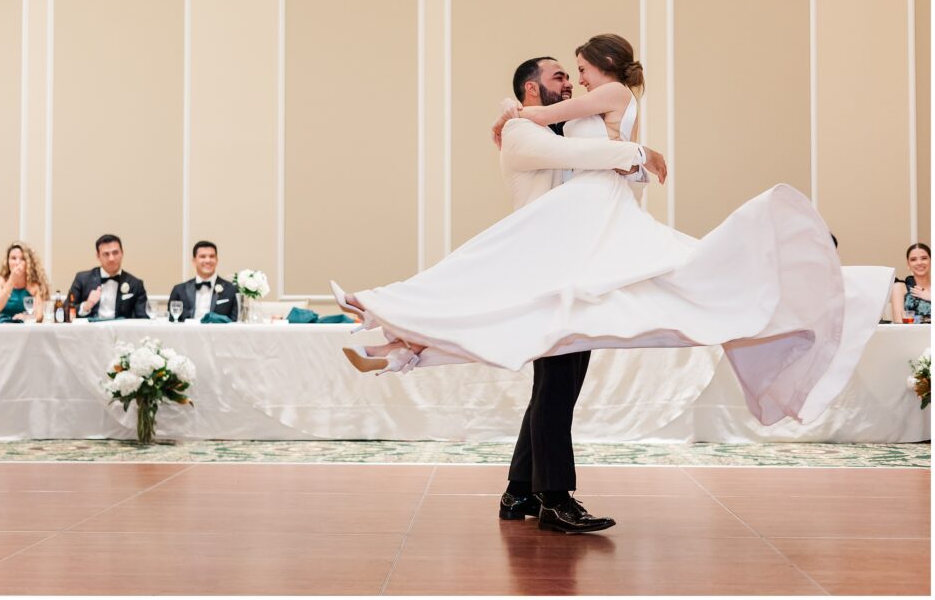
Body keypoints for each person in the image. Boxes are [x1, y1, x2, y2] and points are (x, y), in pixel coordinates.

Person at [331, 32, 890, 530]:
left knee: (553, 379)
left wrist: (632, 160)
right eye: (557, 76)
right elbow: (579, 149)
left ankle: (517, 489)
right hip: (547, 259)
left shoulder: (584, 109)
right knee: (532, 356)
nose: (568, 82)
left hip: (575, 258)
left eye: (573, 71)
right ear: (532, 88)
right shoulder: (522, 133)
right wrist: (627, 150)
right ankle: (552, 495)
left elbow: (598, 159)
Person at [68, 234, 149, 319]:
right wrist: (87, 305)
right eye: (106, 254)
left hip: (121, 331)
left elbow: (143, 318)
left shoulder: (136, 284)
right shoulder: (82, 279)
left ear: (122, 253)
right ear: (98, 256)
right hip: (90, 331)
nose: (111, 258)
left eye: (115, 253)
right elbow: (66, 311)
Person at [167, 240, 239, 322]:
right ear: (194, 261)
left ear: (217, 260)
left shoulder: (231, 289)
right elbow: (172, 320)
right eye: (203, 256)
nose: (208, 260)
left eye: (212, 256)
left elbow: (235, 321)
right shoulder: (179, 290)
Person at [0, 242, 50, 321]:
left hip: (26, 328)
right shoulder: (0, 281)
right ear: (8, 261)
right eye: (13, 258)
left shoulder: (34, 285)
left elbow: (39, 315)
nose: (17, 263)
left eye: (22, 259)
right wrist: (11, 280)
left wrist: (27, 318)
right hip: (3, 326)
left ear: (28, 263)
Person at [891, 243, 931, 323]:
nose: (919, 263)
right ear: (908, 264)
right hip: (910, 334)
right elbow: (899, 321)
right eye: (913, 259)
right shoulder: (899, 287)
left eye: (924, 258)